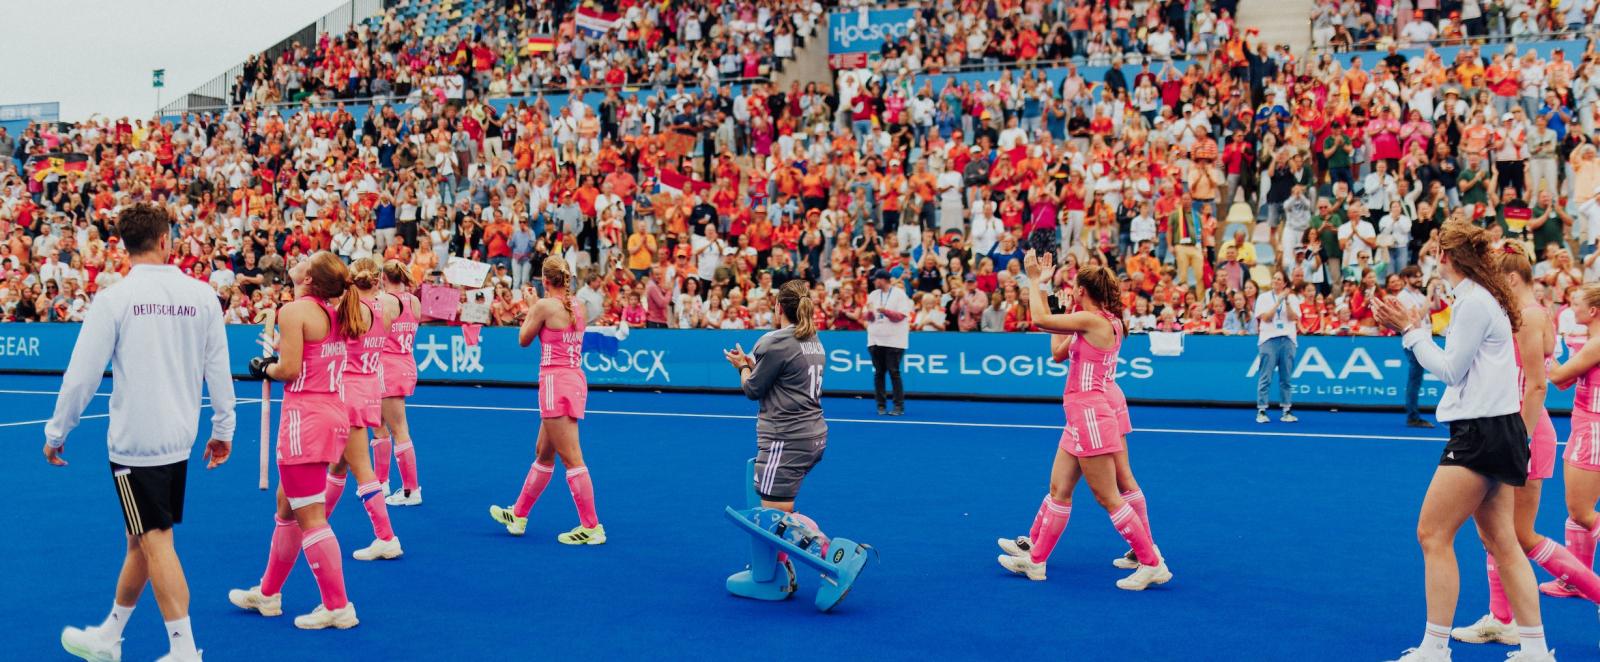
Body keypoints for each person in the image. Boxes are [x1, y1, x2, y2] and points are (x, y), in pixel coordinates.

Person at [48, 204, 236, 662]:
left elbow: (81, 375)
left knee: (154, 539)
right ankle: (109, 638)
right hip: (179, 439)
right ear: (166, 240)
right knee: (141, 539)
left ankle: (184, 648)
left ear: (124, 246)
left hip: (135, 443)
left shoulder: (115, 299)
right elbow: (219, 369)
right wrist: (224, 427)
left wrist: (58, 430)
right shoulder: (202, 295)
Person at [1370, 223, 1551, 662]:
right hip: (1498, 430)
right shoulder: (1481, 299)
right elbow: (1462, 367)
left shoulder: (1473, 302)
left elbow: (1450, 371)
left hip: (1479, 434)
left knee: (1432, 533)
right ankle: (1535, 650)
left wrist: (1410, 333)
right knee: (1504, 544)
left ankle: (1435, 648)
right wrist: (1416, 329)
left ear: (1445, 257)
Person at [1453, 243, 1600, 645]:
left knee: (1520, 535)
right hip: (1521, 428)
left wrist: (1518, 436)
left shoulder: (1527, 316)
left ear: (1511, 279)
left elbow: (1537, 382)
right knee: (1495, 534)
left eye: (1493, 278)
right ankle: (1501, 619)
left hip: (1525, 431)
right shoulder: (1535, 313)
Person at [998, 251, 1169, 590]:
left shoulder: (1094, 321)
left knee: (1108, 496)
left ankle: (1151, 562)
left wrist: (1035, 282)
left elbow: (1039, 318)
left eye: (1074, 286)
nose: (1071, 289)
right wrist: (1060, 309)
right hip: (1079, 414)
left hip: (1090, 413)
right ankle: (1035, 562)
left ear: (1081, 290)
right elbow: (1058, 352)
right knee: (1059, 489)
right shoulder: (1093, 318)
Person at [229, 251, 368, 630]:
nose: (302, 258)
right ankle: (268, 593)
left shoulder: (296, 311)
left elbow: (288, 370)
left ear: (309, 278)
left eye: (309, 259)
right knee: (287, 505)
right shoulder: (335, 311)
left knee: (311, 516)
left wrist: (265, 368)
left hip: (305, 419)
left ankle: (338, 606)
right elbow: (307, 359)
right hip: (330, 413)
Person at [720, 280, 857, 603]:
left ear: (778, 307)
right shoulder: (813, 339)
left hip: (786, 438)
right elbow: (783, 375)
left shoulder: (775, 341)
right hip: (813, 434)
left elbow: (753, 389)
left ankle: (834, 561)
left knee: (774, 519)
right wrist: (754, 366)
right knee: (781, 512)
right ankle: (783, 572)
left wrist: (742, 367)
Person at [489, 256, 606, 544]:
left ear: (545, 280)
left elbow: (523, 338)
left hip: (555, 382)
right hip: (574, 378)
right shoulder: (577, 304)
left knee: (571, 458)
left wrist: (531, 306)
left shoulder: (544, 305)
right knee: (543, 451)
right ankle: (518, 514)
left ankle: (592, 527)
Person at [323, 258, 403, 561]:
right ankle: (318, 524)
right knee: (339, 465)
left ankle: (386, 536)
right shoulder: (388, 307)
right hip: (370, 385)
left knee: (361, 468)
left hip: (349, 390)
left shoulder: (351, 310)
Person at [378, 261, 422, 504]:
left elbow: (375, 331)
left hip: (388, 365)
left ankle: (410, 490)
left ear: (383, 277)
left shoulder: (384, 302)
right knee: (379, 423)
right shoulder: (413, 300)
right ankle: (382, 482)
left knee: (398, 429)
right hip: (405, 361)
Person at [863, 269, 912, 415]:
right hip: (875, 339)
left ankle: (898, 405)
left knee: (894, 372)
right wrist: (870, 312)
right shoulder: (873, 294)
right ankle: (881, 405)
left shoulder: (899, 294)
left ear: (883, 280)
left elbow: (901, 316)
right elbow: (867, 317)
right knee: (879, 373)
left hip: (895, 340)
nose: (873, 282)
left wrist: (885, 311)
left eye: (876, 279)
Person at [1254, 270, 1300, 423]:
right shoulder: (1263, 298)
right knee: (1265, 377)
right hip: (1268, 339)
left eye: (1279, 279)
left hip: (1287, 339)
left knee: (1286, 378)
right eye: (1274, 278)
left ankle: (1286, 410)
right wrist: (1278, 301)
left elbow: (1292, 317)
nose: (1275, 281)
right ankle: (1261, 410)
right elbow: (1266, 318)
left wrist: (1285, 301)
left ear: (1285, 283)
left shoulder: (1292, 298)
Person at [1396, 265, 1435, 428]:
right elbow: (1418, 314)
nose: (1419, 279)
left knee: (1416, 379)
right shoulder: (1403, 296)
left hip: (1423, 339)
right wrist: (1430, 293)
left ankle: (1413, 415)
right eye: (1414, 277)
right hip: (1413, 342)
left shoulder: (1418, 294)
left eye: (1420, 276)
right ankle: (1412, 416)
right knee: (1414, 379)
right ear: (1406, 279)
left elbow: (1436, 307)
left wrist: (1435, 293)